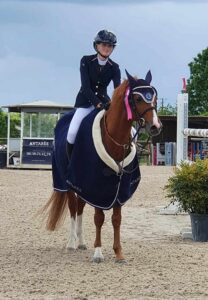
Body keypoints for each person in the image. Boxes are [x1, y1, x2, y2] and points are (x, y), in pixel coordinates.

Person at [66, 29, 121, 159]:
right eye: (103, 44)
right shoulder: (86, 60)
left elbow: (117, 90)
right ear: (96, 45)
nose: (106, 48)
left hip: (105, 102)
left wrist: (114, 105)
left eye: (110, 46)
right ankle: (70, 165)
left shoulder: (115, 67)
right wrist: (97, 104)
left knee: (131, 131)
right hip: (85, 102)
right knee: (72, 132)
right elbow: (86, 87)